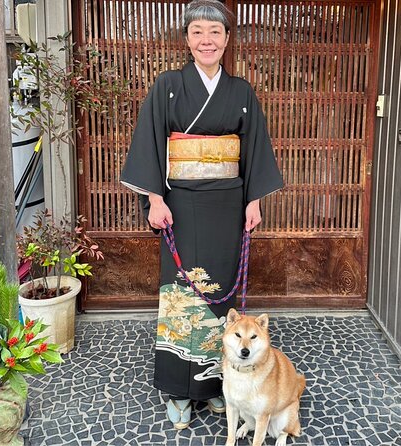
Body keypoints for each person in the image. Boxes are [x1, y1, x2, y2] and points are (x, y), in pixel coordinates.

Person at [120, 0, 283, 431]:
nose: (206, 39)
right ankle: (178, 388)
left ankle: (215, 386)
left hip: (228, 204)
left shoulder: (242, 91)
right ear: (187, 39)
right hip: (181, 204)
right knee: (183, 295)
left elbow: (255, 148)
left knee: (221, 296)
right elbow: (152, 142)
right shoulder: (168, 86)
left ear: (227, 40)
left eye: (215, 32)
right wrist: (155, 199)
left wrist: (254, 200)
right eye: (197, 32)